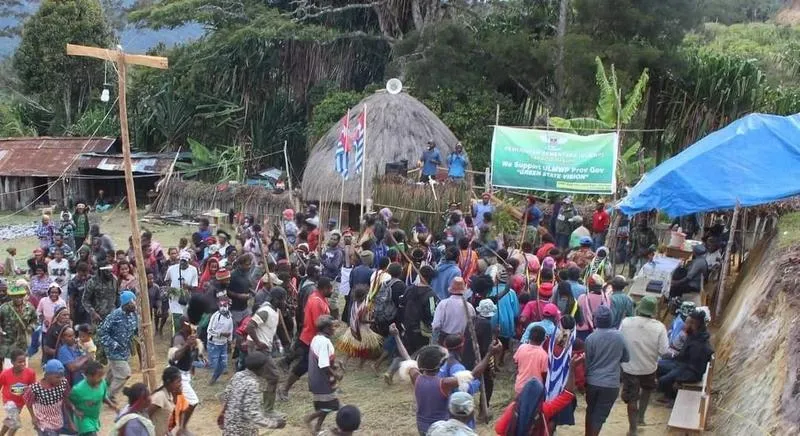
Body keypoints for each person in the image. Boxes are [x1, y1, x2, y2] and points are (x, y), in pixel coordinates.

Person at [392, 324, 501, 436]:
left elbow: (407, 358)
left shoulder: (417, 378)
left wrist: (396, 336)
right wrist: (489, 354)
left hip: (421, 426)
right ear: (439, 364)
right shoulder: (443, 384)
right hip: (440, 429)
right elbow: (473, 375)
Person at [620, 296, 668, 435]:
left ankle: (633, 428)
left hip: (629, 367)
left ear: (639, 309)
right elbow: (664, 351)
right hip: (649, 367)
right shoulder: (659, 327)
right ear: (653, 311)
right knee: (647, 389)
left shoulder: (626, 322)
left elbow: (620, 341)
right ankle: (641, 417)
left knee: (632, 397)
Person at [280, 277, 332, 400]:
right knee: (304, 365)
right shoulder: (316, 301)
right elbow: (319, 323)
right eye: (330, 288)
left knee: (315, 364)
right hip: (312, 339)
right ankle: (284, 388)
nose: (332, 291)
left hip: (313, 338)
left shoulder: (319, 297)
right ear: (324, 289)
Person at [584, 305, 629, 436]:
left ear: (596, 320)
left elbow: (588, 363)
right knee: (600, 416)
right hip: (611, 383)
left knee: (590, 411)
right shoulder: (619, 337)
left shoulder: (591, 338)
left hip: (592, 382)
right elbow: (626, 358)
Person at [219, 352, 286, 435]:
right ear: (262, 368)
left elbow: (224, 397)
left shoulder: (238, 375)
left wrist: (225, 415)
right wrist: (275, 424)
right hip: (242, 431)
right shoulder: (252, 384)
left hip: (229, 428)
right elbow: (253, 416)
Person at [245, 287, 286, 418]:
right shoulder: (265, 311)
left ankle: (236, 399)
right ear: (276, 299)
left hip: (263, 347)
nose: (284, 302)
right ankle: (268, 410)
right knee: (273, 376)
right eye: (283, 299)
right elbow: (250, 326)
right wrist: (258, 343)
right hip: (258, 348)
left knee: (250, 376)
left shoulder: (275, 311)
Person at [657, 310, 713, 401]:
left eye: (686, 323)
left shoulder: (699, 345)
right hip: (681, 364)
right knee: (657, 366)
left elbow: (694, 369)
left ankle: (670, 397)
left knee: (664, 380)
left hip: (690, 371)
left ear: (694, 324)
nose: (684, 326)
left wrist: (678, 379)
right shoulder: (694, 335)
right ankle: (666, 391)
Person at [304, 315, 342, 433]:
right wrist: (336, 375)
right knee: (333, 406)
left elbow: (323, 360)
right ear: (326, 328)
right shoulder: (324, 342)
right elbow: (324, 365)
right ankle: (309, 418)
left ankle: (317, 428)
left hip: (316, 379)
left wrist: (335, 364)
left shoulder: (316, 339)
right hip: (322, 381)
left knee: (324, 406)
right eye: (332, 327)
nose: (334, 329)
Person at [97, 290, 138, 400]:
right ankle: (109, 396)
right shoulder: (115, 315)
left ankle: (99, 392)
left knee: (110, 376)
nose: (135, 303)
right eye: (132, 301)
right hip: (114, 352)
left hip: (125, 351)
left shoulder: (133, 315)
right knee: (125, 374)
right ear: (126, 304)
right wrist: (113, 344)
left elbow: (135, 329)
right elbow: (102, 331)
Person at [23, 359, 73, 436]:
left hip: (57, 420)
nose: (60, 380)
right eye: (57, 377)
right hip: (43, 421)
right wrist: (33, 417)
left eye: (62, 376)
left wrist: (72, 414)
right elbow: (28, 402)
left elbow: (66, 399)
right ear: (46, 376)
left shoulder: (63, 383)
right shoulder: (35, 388)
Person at [168, 317, 201, 431]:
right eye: (191, 323)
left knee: (179, 402)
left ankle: (177, 427)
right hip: (176, 375)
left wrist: (193, 367)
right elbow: (175, 357)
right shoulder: (179, 338)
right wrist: (187, 345)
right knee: (192, 401)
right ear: (184, 324)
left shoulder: (191, 336)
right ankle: (181, 428)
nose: (194, 326)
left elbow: (192, 354)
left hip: (184, 375)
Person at [69, 360, 117, 434]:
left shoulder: (102, 384)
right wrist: (75, 410)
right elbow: (68, 401)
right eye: (99, 376)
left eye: (102, 376)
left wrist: (111, 404)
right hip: (83, 419)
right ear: (89, 376)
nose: (101, 379)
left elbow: (103, 396)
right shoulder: (78, 390)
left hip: (94, 418)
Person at [400, 265, 438, 357]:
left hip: (407, 327)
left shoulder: (409, 289)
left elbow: (401, 304)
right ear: (431, 279)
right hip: (421, 331)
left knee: (408, 355)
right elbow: (432, 313)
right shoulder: (431, 295)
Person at [0, 284, 36, 371]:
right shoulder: (4, 308)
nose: (18, 299)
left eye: (20, 297)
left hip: (22, 343)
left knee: (23, 369)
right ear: (11, 297)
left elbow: (35, 320)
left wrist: (31, 327)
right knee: (8, 369)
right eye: (15, 297)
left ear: (23, 296)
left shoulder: (29, 307)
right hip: (8, 344)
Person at [0, 349, 35, 436]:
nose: (23, 364)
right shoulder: (5, 374)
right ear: (12, 362)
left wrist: (33, 415)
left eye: (24, 361)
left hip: (20, 402)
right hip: (8, 401)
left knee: (10, 420)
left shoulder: (30, 373)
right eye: (19, 362)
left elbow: (32, 389)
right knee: (15, 423)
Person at [432, 278, 475, 345]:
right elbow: (472, 325)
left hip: (445, 340)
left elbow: (436, 325)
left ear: (451, 290)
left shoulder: (443, 304)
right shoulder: (470, 307)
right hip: (461, 341)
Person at [164, 252, 199, 332]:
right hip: (174, 300)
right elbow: (167, 280)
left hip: (185, 299)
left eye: (185, 261)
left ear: (189, 261)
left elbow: (195, 286)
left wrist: (187, 287)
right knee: (176, 321)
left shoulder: (193, 270)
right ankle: (176, 339)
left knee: (185, 321)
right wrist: (170, 290)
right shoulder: (172, 269)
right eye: (181, 261)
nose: (182, 263)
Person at [207, 293, 234, 386]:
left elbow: (230, 330)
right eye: (221, 305)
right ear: (218, 305)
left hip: (223, 344)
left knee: (222, 365)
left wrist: (229, 342)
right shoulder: (215, 316)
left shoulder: (230, 316)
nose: (223, 308)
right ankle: (194, 363)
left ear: (229, 306)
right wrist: (221, 334)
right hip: (213, 343)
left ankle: (214, 378)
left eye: (225, 305)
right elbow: (209, 330)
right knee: (212, 364)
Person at [514, 325, 549, 395]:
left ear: (529, 336)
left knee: (519, 405)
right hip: (535, 390)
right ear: (543, 339)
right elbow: (544, 374)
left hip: (520, 387)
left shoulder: (521, 347)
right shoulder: (544, 355)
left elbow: (516, 363)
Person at [148, 367, 181, 436]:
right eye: (178, 381)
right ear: (169, 381)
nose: (180, 384)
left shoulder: (169, 394)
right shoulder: (160, 396)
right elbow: (146, 416)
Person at [576, 274, 609, 341]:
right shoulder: (606, 298)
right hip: (600, 332)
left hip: (583, 332)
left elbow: (579, 316)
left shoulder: (582, 298)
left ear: (589, 286)